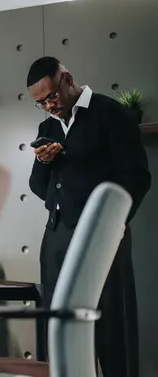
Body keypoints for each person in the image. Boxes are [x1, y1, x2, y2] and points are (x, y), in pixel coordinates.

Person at [27, 56, 151, 377]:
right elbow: (38, 188)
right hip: (55, 238)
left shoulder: (111, 114)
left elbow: (136, 177)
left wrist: (116, 224)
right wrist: (43, 163)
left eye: (51, 96)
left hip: (102, 238)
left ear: (66, 78)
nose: (49, 106)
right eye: (40, 103)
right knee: (58, 327)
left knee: (112, 328)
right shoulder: (47, 127)